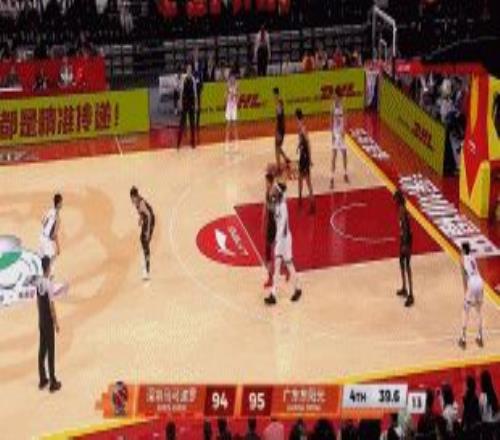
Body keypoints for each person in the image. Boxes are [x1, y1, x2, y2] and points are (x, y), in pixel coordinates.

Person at [264, 182, 302, 306]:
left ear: (279, 193)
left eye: (275, 190)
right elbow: (270, 205)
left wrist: (278, 240)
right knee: (283, 265)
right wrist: (268, 194)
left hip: (284, 239)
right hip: (281, 239)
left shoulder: (283, 206)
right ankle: (292, 290)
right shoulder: (277, 203)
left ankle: (276, 294)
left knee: (284, 265)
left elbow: (283, 226)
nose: (273, 191)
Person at [35, 256, 61, 393]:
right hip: (48, 321)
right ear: (48, 267)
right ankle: (53, 382)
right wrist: (56, 323)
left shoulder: (39, 281)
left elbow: (38, 301)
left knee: (42, 350)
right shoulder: (49, 284)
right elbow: (51, 306)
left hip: (41, 320)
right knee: (51, 351)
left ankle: (42, 379)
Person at [458, 241, 484, 349]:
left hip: (472, 283)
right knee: (478, 310)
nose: (460, 250)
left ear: (464, 250)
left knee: (466, 310)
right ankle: (480, 337)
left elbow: (464, 276)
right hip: (480, 282)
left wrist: (465, 291)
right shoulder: (473, 257)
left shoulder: (462, 259)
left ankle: (463, 339)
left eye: (461, 249)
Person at [130, 186, 155, 281]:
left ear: (135, 196)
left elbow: (149, 215)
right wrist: (140, 219)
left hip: (150, 221)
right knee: (142, 240)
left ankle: (147, 271)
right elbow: (142, 213)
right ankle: (146, 264)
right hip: (146, 220)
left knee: (145, 242)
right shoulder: (136, 203)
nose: (131, 200)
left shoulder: (141, 203)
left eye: (132, 198)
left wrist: (148, 231)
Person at [394, 190, 414, 307]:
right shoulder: (402, 209)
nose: (394, 202)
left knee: (407, 265)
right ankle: (404, 288)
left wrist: (405, 244)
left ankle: (411, 294)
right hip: (405, 239)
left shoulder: (402, 210)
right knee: (401, 262)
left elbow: (406, 228)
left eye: (395, 199)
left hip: (406, 240)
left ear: (398, 199)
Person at [296, 109, 315, 214]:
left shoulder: (302, 127)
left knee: (307, 181)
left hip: (305, 157)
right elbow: (302, 141)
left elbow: (308, 143)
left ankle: (312, 204)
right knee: (299, 178)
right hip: (302, 156)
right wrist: (299, 146)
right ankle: (300, 197)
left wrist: (310, 159)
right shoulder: (300, 126)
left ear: (297, 117)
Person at [176, 63, 198, 149]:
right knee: (182, 123)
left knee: (192, 124)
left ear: (191, 70)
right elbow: (181, 91)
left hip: (191, 102)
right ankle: (178, 143)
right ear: (186, 70)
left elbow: (195, 93)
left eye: (190, 69)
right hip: (185, 102)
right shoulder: (183, 78)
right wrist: (180, 102)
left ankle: (193, 143)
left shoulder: (193, 79)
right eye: (188, 69)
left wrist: (196, 104)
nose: (189, 70)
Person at [330, 92, 349, 189]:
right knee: (334, 155)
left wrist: (344, 131)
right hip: (335, 133)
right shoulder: (332, 107)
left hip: (341, 133)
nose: (334, 98)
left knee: (344, 154)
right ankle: (332, 179)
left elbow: (345, 118)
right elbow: (330, 120)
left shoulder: (342, 106)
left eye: (336, 97)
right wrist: (332, 135)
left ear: (338, 97)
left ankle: (345, 174)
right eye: (334, 97)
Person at [40, 193, 63, 262]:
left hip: (41, 237)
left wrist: (47, 229)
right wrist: (58, 247)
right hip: (47, 241)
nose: (62, 204)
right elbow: (54, 235)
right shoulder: (57, 218)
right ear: (58, 204)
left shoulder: (50, 211)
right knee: (51, 260)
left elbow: (43, 222)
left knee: (42, 260)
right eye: (61, 202)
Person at [479, 370, 500, 439]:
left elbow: (481, 414)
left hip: (487, 428)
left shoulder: (482, 396)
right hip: (493, 427)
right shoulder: (493, 394)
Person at [273, 87, 290, 171]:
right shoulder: (279, 102)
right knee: (278, 146)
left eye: (274, 95)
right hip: (282, 127)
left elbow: (278, 118)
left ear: (275, 94)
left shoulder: (279, 103)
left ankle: (278, 166)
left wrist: (276, 129)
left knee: (277, 147)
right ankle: (285, 158)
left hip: (280, 128)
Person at [192, 47, 204, 138]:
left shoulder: (201, 63)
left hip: (199, 86)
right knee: (192, 105)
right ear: (193, 53)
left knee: (198, 105)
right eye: (195, 52)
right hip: (192, 87)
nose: (196, 54)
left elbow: (201, 74)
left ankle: (197, 124)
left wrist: (201, 85)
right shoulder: (190, 63)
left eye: (197, 52)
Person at [224, 72, 239, 150]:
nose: (232, 79)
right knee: (228, 124)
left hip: (234, 107)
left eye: (233, 78)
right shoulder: (227, 86)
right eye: (231, 78)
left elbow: (238, 95)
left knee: (234, 124)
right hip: (229, 107)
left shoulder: (236, 86)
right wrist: (228, 97)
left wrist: (236, 100)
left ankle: (236, 141)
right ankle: (227, 140)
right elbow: (225, 96)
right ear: (229, 79)